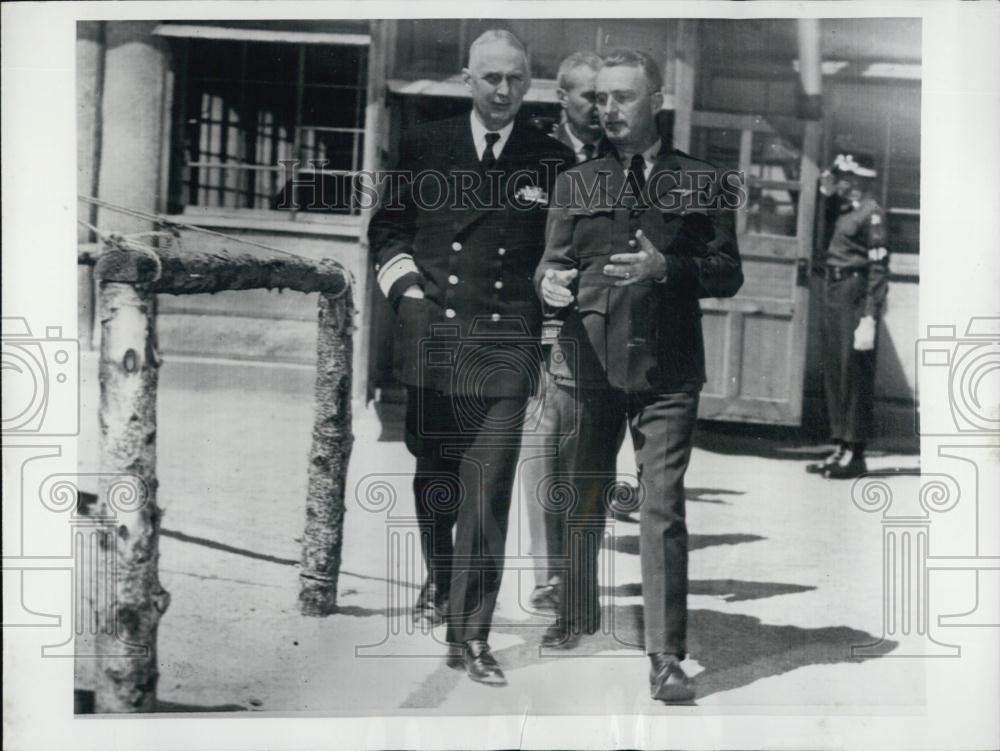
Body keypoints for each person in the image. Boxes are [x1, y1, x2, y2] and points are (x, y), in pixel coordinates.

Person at [535, 49, 742, 703]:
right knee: (583, 496)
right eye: (601, 98)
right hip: (591, 361)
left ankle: (665, 657)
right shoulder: (577, 181)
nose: (609, 109)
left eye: (624, 96)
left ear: (658, 98)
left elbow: (728, 273)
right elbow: (550, 265)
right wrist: (551, 284)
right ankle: (574, 611)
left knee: (661, 509)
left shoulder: (701, 180)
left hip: (669, 368)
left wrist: (669, 270)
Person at [368, 29, 574, 686]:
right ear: (468, 79)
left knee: (486, 495)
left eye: (515, 78)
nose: (504, 90)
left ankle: (471, 635)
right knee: (436, 478)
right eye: (491, 78)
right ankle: (440, 571)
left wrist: (556, 289)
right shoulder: (426, 144)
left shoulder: (551, 159)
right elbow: (388, 231)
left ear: (528, 80)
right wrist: (409, 298)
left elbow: (561, 251)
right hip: (433, 337)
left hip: (504, 347)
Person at [519, 51, 607, 614]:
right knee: (540, 449)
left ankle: (577, 573)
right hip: (532, 320)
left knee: (590, 455)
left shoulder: (624, 159)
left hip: (594, 326)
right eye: (588, 98)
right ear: (562, 98)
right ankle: (548, 574)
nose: (600, 109)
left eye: (608, 98)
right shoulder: (530, 156)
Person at [805, 152, 888, 479]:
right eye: (841, 177)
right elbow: (818, 231)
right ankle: (840, 444)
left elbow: (879, 270)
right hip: (835, 292)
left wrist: (869, 315)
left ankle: (856, 453)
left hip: (855, 295)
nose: (842, 183)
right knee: (835, 372)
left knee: (854, 374)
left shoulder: (873, 214)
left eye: (848, 178)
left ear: (861, 180)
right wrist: (825, 192)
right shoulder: (843, 211)